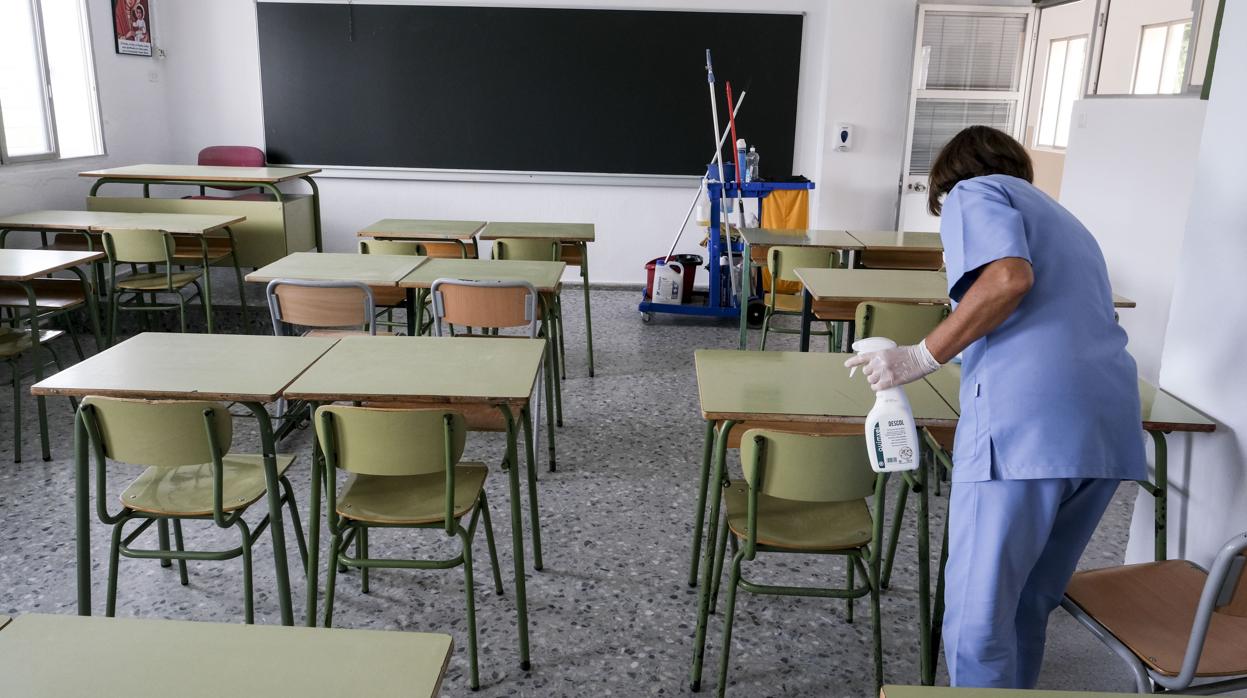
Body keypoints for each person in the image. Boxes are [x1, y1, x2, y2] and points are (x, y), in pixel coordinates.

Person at [844, 125, 1145, 688]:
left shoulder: (974, 192)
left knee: (979, 621)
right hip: (1104, 432)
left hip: (1027, 430)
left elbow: (1008, 279)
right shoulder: (1066, 222)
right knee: (1027, 604)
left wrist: (919, 356)